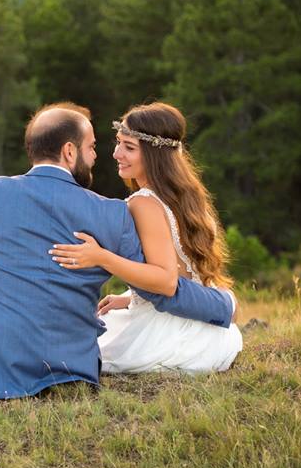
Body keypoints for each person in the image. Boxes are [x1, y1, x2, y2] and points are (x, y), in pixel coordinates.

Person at [0, 102, 235, 399]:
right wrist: (221, 306)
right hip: (74, 368)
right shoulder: (113, 213)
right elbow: (161, 288)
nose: (98, 156)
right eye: (92, 147)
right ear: (69, 153)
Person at [49, 102, 243, 373]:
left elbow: (166, 281)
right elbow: (180, 268)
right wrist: (132, 298)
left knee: (68, 351)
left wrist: (100, 257)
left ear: (155, 155)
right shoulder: (185, 195)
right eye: (118, 143)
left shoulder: (144, 202)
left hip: (167, 332)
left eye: (129, 148)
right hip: (205, 329)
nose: (117, 153)